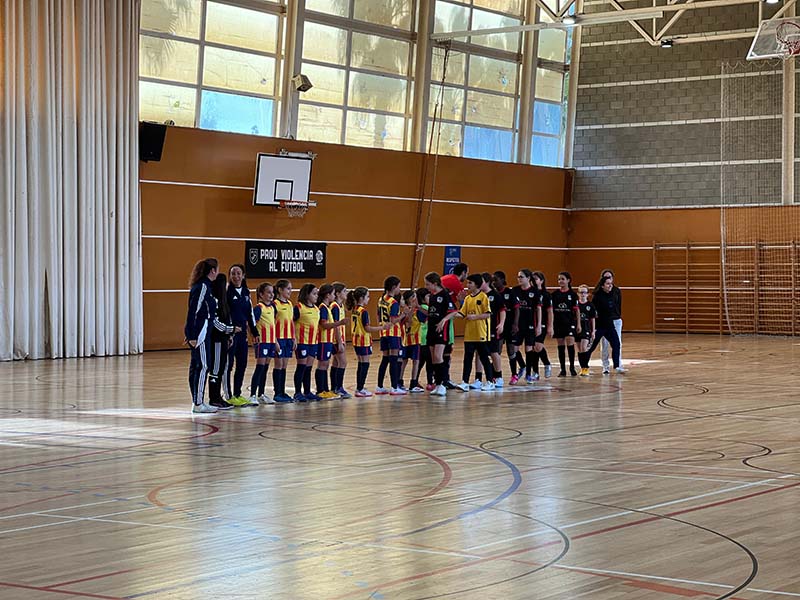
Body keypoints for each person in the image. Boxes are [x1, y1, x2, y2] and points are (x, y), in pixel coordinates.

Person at [441, 274, 495, 392]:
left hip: (481, 333)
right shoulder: (468, 299)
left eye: (470, 283)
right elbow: (462, 314)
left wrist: (475, 317)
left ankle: (490, 381)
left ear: (477, 284)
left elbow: (487, 314)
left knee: (484, 358)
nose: (467, 285)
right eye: (467, 282)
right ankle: (465, 382)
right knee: (467, 359)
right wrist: (450, 313)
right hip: (469, 334)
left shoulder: (483, 297)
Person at [185, 258, 221, 414]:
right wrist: (191, 335)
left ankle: (197, 401)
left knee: (197, 366)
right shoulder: (203, 287)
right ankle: (198, 403)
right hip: (201, 332)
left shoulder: (206, 287)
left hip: (204, 330)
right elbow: (193, 311)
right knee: (202, 366)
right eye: (217, 269)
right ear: (213, 270)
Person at [346, 286, 389, 397]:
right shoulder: (363, 311)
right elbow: (367, 328)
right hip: (363, 340)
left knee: (361, 363)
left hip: (356, 340)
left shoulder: (355, 309)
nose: (369, 299)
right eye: (367, 296)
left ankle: (359, 387)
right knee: (365, 364)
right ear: (361, 298)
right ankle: (360, 389)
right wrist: (382, 328)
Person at [224, 264, 258, 406]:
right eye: (233, 273)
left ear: (243, 275)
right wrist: (229, 331)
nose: (236, 276)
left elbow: (250, 313)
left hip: (242, 334)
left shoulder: (245, 292)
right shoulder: (227, 292)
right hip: (231, 334)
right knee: (228, 365)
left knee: (242, 364)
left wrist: (254, 331)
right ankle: (228, 395)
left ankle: (237, 393)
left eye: (238, 273)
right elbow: (224, 313)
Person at [207, 273, 240, 410]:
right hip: (216, 340)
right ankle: (213, 398)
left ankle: (218, 397)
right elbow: (215, 322)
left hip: (224, 339)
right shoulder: (214, 300)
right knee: (215, 369)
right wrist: (230, 329)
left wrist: (230, 335)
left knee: (221, 368)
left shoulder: (223, 301)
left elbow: (227, 318)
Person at [426, 272, 457, 397]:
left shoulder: (444, 294)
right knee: (434, 359)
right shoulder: (432, 296)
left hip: (441, 330)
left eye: (428, 284)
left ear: (435, 283)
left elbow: (453, 311)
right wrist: (417, 306)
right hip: (431, 330)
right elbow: (430, 313)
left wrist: (444, 320)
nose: (426, 287)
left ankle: (443, 384)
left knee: (438, 356)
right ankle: (438, 384)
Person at [249, 282, 280, 404]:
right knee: (260, 368)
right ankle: (252, 395)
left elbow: (273, 325)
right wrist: (254, 337)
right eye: (268, 292)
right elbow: (251, 324)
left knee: (265, 368)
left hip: (271, 342)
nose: (271, 295)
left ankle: (261, 394)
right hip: (262, 342)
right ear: (261, 294)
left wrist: (275, 341)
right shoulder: (258, 308)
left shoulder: (272, 308)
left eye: (273, 292)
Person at [473, 272, 505, 387]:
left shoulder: (495, 295)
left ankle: (499, 377)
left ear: (487, 282)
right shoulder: (478, 295)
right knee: (479, 352)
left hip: (492, 328)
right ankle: (478, 379)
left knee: (493, 352)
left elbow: (502, 311)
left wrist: (501, 324)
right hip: (480, 328)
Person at [376, 276, 406, 395]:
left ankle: (379, 386)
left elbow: (378, 315)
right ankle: (394, 387)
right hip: (393, 333)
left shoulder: (381, 299)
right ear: (394, 287)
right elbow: (394, 320)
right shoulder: (393, 302)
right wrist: (403, 314)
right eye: (399, 286)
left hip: (383, 332)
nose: (400, 289)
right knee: (394, 359)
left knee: (385, 359)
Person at [589, 276, 626, 373]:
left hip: (609, 326)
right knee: (592, 347)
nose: (610, 286)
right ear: (602, 286)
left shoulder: (612, 295)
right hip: (599, 326)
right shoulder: (597, 297)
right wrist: (593, 328)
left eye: (611, 284)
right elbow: (593, 313)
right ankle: (584, 366)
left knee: (616, 344)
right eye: (608, 284)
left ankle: (617, 366)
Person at [440, 262, 468, 389]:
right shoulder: (457, 285)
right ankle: (444, 379)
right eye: (466, 273)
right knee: (446, 350)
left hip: (435, 317)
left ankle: (435, 379)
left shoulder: (444, 278)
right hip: (445, 319)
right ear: (463, 273)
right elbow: (464, 308)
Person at [316, 284, 347, 400]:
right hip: (324, 340)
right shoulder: (324, 307)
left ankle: (327, 389)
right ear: (328, 295)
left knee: (327, 364)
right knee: (323, 364)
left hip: (328, 340)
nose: (333, 296)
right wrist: (339, 340)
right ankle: (322, 390)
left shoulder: (328, 307)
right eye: (333, 294)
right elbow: (325, 325)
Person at [512, 269, 542, 384]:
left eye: (521, 277)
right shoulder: (515, 290)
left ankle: (528, 374)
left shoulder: (535, 291)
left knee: (528, 349)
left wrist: (539, 325)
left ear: (528, 278)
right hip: (517, 325)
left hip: (530, 324)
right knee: (514, 349)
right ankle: (522, 365)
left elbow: (538, 309)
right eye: (518, 277)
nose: (519, 279)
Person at [494, 271, 524, 384]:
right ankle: (495, 375)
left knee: (511, 350)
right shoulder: (493, 294)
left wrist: (515, 324)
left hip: (510, 326)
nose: (494, 282)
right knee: (496, 351)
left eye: (496, 280)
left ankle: (514, 374)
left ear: (502, 280)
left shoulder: (510, 292)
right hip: (498, 326)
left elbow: (517, 309)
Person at [293, 283, 321, 402]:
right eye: (314, 293)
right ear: (307, 294)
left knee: (308, 368)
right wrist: (293, 338)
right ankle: (297, 393)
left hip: (313, 342)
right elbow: (291, 322)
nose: (316, 296)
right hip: (302, 342)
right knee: (301, 367)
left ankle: (307, 391)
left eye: (317, 294)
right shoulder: (299, 308)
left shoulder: (316, 309)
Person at [551, 271, 581, 377]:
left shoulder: (572, 295)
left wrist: (578, 324)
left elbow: (577, 310)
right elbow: (551, 310)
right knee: (560, 346)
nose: (560, 281)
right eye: (559, 279)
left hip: (569, 323)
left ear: (568, 280)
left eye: (563, 279)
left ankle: (572, 368)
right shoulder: (554, 294)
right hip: (558, 323)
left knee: (570, 344)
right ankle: (562, 369)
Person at [272, 279, 295, 403]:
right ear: (280, 290)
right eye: (288, 289)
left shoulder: (290, 304)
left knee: (284, 366)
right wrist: (275, 340)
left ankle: (282, 391)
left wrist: (293, 338)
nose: (290, 291)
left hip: (288, 339)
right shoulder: (275, 304)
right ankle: (277, 393)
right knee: (279, 365)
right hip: (279, 339)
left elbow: (291, 322)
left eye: (291, 289)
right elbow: (271, 323)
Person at [597, 269, 623, 374]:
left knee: (617, 343)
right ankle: (605, 366)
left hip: (616, 320)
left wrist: (617, 316)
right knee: (605, 344)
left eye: (610, 277)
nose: (608, 279)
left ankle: (618, 365)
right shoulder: (599, 293)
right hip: (604, 322)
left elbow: (618, 305)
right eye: (606, 277)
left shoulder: (616, 291)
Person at [400, 289, 426, 393]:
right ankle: (399, 382)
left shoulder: (418, 310)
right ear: (409, 299)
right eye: (413, 296)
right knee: (404, 361)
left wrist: (418, 307)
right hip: (407, 340)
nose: (416, 298)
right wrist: (412, 310)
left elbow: (428, 314)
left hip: (416, 340)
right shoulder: (405, 310)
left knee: (416, 361)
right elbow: (408, 323)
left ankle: (413, 383)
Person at [531, 271, 554, 379]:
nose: (533, 281)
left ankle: (547, 364)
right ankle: (535, 372)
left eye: (536, 279)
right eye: (532, 279)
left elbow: (550, 311)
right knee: (532, 347)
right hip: (531, 322)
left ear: (541, 281)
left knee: (538, 346)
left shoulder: (546, 295)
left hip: (542, 323)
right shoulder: (530, 293)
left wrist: (550, 326)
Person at [329, 282, 350, 398]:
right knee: (343, 362)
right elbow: (336, 326)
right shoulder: (335, 307)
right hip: (335, 339)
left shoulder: (340, 306)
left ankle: (334, 388)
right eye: (344, 291)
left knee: (336, 363)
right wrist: (339, 342)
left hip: (339, 338)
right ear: (337, 294)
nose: (346, 293)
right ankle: (339, 387)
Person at [415, 287, 435, 391]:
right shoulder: (425, 308)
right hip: (426, 337)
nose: (430, 297)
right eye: (428, 296)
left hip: (420, 338)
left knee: (420, 362)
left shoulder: (418, 308)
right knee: (429, 362)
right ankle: (430, 382)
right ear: (423, 298)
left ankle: (415, 380)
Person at [576, 285, 596, 376]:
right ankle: (582, 368)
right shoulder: (576, 304)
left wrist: (593, 331)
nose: (583, 294)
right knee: (580, 349)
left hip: (586, 328)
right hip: (577, 328)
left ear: (588, 294)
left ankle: (586, 367)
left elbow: (592, 319)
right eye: (581, 292)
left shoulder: (590, 305)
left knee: (584, 347)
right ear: (578, 293)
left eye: (584, 292)